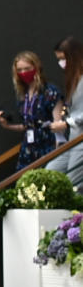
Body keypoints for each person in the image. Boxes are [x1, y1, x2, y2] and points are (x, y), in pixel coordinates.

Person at [0, 51, 64, 169]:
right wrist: (7, 125)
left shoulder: (50, 92)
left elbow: (58, 124)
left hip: (48, 145)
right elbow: (28, 125)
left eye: (27, 68)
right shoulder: (23, 94)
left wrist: (57, 152)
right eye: (20, 70)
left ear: (36, 67)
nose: (24, 73)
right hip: (29, 149)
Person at [48, 36, 83, 188]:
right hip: (72, 139)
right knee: (50, 172)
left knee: (73, 183)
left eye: (63, 59)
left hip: (80, 141)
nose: (61, 64)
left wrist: (66, 123)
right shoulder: (73, 80)